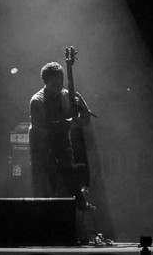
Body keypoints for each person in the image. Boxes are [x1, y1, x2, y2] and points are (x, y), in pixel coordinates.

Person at [28, 61, 92, 201]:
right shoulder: (37, 101)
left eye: (61, 81)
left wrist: (82, 108)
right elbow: (42, 130)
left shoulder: (68, 95)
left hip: (64, 150)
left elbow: (86, 120)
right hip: (43, 155)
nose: (60, 85)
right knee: (46, 195)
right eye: (56, 83)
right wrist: (68, 123)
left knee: (70, 192)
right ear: (46, 81)